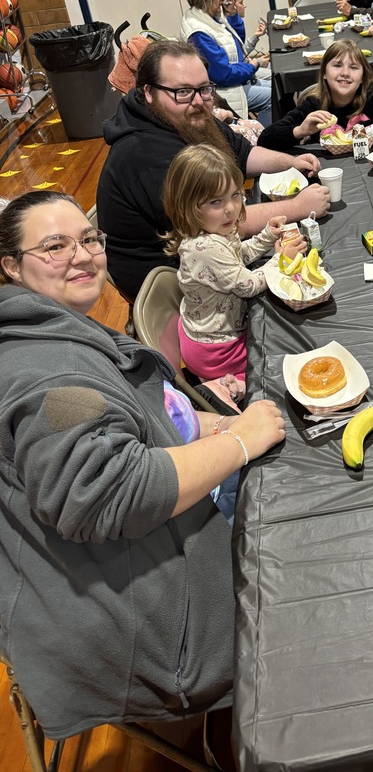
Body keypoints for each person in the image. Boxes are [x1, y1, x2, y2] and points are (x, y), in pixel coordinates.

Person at [0, 189, 286, 741]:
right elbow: (106, 494)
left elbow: (152, 420)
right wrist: (240, 441)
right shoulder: (50, 374)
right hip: (152, 629)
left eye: (88, 239)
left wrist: (223, 426)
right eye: (55, 246)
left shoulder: (49, 324)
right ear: (12, 266)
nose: (82, 256)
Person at [97, 39, 328, 302]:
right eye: (183, 91)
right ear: (149, 92)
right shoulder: (145, 155)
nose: (198, 101)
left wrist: (291, 162)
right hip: (177, 290)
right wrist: (298, 207)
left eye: (204, 88)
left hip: (215, 251)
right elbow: (221, 221)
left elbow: (243, 154)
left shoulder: (185, 116)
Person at [162, 144, 305, 385]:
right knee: (276, 360)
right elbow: (248, 285)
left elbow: (237, 256)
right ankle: (231, 386)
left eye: (235, 195)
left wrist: (266, 236)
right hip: (217, 351)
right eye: (216, 201)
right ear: (188, 206)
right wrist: (280, 261)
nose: (230, 209)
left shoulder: (215, 229)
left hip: (211, 335)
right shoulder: (207, 248)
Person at [258, 39, 373, 150]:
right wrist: (300, 130)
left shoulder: (372, 94)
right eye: (337, 65)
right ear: (324, 73)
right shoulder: (314, 104)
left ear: (363, 77)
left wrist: (360, 129)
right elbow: (266, 139)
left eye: (353, 67)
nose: (345, 73)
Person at [179, 0, 272, 123]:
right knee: (273, 96)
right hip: (223, 91)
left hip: (234, 80)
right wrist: (252, 66)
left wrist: (232, 13)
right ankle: (260, 136)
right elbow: (223, 75)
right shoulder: (199, 32)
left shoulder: (207, 16)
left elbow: (237, 45)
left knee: (276, 87)